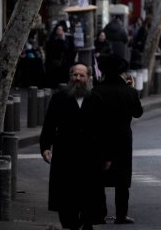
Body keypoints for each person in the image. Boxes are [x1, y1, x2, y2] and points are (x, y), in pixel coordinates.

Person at [40, 64, 111, 230]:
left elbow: (105, 129)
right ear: (70, 77)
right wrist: (45, 147)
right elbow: (49, 124)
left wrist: (108, 156)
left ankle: (87, 222)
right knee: (67, 194)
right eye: (75, 75)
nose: (78, 79)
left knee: (89, 193)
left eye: (82, 75)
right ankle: (71, 223)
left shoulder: (96, 99)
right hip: (66, 154)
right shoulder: (59, 98)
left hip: (91, 156)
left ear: (88, 78)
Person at [94, 54, 143, 225]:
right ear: (122, 72)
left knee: (99, 178)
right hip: (122, 139)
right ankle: (121, 215)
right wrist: (132, 89)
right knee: (122, 180)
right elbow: (138, 112)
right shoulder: (129, 92)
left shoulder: (96, 91)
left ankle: (99, 214)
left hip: (100, 138)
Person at [45, 23, 77, 89]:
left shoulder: (68, 38)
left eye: (61, 29)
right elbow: (51, 50)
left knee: (65, 77)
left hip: (66, 61)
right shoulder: (53, 39)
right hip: (55, 61)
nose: (59, 31)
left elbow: (70, 49)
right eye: (58, 29)